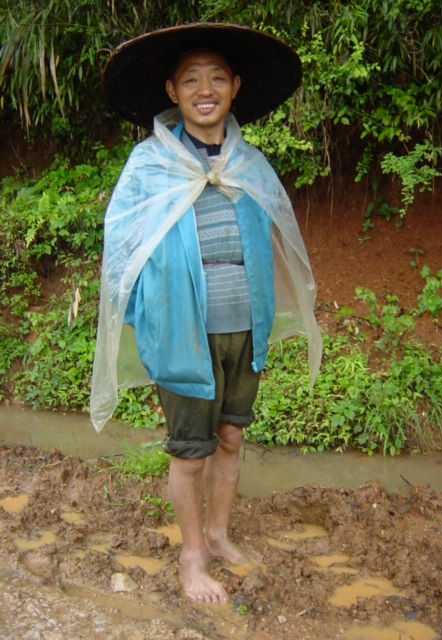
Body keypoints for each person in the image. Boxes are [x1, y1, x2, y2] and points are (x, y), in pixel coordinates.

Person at [90, 23, 322, 604]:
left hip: (242, 328)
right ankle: (191, 559)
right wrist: (153, 316)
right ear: (172, 91)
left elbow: (276, 239)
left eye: (217, 77)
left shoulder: (251, 165)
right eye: (191, 78)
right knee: (189, 451)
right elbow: (122, 247)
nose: (204, 88)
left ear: (235, 87)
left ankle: (218, 535)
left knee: (231, 437)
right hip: (183, 333)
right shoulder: (150, 166)